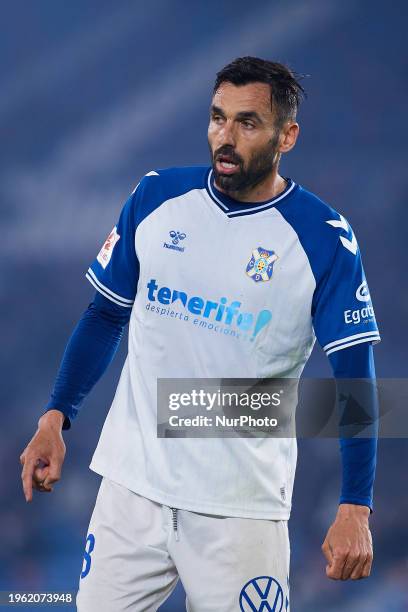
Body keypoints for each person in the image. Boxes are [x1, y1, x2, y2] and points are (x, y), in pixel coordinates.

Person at [20, 56, 380, 611]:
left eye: (247, 122)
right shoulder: (157, 198)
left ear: (288, 135)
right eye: (217, 118)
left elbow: (354, 375)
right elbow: (105, 315)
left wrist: (356, 504)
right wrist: (55, 416)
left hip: (240, 510)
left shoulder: (323, 239)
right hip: (131, 491)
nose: (226, 137)